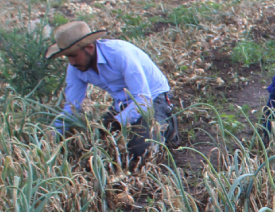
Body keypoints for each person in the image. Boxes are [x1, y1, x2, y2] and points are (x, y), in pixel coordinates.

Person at [47, 21, 178, 163]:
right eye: (67, 57)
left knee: (140, 152)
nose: (71, 62)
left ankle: (166, 123)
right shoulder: (75, 68)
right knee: (99, 145)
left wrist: (116, 123)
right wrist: (52, 137)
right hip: (122, 102)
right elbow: (71, 107)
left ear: (89, 48)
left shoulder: (120, 54)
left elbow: (143, 100)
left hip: (153, 98)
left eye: (73, 55)